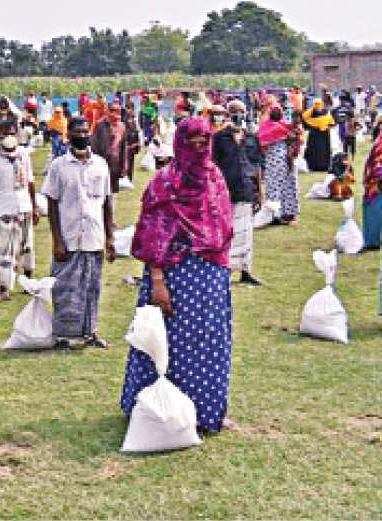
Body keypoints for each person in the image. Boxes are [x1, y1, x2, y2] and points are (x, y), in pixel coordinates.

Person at [122, 116, 236, 434]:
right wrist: (158, 283)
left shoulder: (215, 178)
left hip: (211, 277)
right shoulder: (165, 183)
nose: (198, 150)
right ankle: (155, 411)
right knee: (167, 344)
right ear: (179, 144)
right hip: (175, 278)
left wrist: (222, 270)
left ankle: (207, 412)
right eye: (191, 144)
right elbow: (152, 237)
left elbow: (222, 227)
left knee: (210, 345)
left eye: (203, 143)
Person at [42, 117, 114, 349]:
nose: (82, 136)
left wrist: (110, 237)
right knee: (65, 289)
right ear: (69, 135)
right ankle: (64, 336)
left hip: (94, 237)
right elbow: (52, 204)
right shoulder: (59, 166)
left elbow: (107, 202)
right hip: (69, 237)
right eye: (77, 132)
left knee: (91, 288)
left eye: (85, 132)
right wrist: (57, 240)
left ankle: (89, 333)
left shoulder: (100, 165)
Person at [0, 121, 37, 300]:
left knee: (26, 246)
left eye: (12, 133)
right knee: (3, 250)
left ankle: (28, 282)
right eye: (4, 134)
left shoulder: (23, 154)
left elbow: (30, 181)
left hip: (24, 206)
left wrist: (34, 207)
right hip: (3, 208)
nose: (8, 137)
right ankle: (4, 288)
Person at [213, 100, 266, 286]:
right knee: (228, 232)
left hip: (247, 190)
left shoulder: (251, 138)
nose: (238, 114)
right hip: (226, 191)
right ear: (228, 115)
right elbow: (214, 165)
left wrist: (260, 191)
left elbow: (257, 165)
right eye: (234, 111)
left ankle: (245, 270)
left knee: (247, 232)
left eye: (241, 111)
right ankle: (225, 270)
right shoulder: (219, 138)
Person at [258, 102, 301, 225]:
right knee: (276, 186)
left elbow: (295, 138)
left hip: (285, 161)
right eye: (274, 110)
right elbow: (262, 143)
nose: (276, 112)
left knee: (285, 186)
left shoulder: (283, 126)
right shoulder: (273, 127)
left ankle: (286, 214)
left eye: (278, 110)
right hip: (275, 162)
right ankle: (277, 215)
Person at [90, 102, 128, 193]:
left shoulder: (122, 127)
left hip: (115, 164)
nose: (115, 113)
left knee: (112, 192)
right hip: (101, 163)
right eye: (112, 111)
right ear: (107, 111)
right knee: (100, 190)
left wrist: (124, 165)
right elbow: (94, 145)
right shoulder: (100, 125)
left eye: (117, 111)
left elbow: (123, 147)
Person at [303, 99, 335, 172]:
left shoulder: (309, 113)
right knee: (324, 150)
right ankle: (324, 166)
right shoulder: (326, 113)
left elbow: (305, 124)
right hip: (324, 135)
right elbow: (332, 124)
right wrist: (324, 126)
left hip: (314, 135)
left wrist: (314, 125)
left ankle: (313, 166)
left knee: (313, 150)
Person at [363, 136, 382, 250]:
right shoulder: (379, 144)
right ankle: (372, 241)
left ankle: (372, 240)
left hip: (375, 183)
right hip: (377, 183)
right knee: (375, 209)